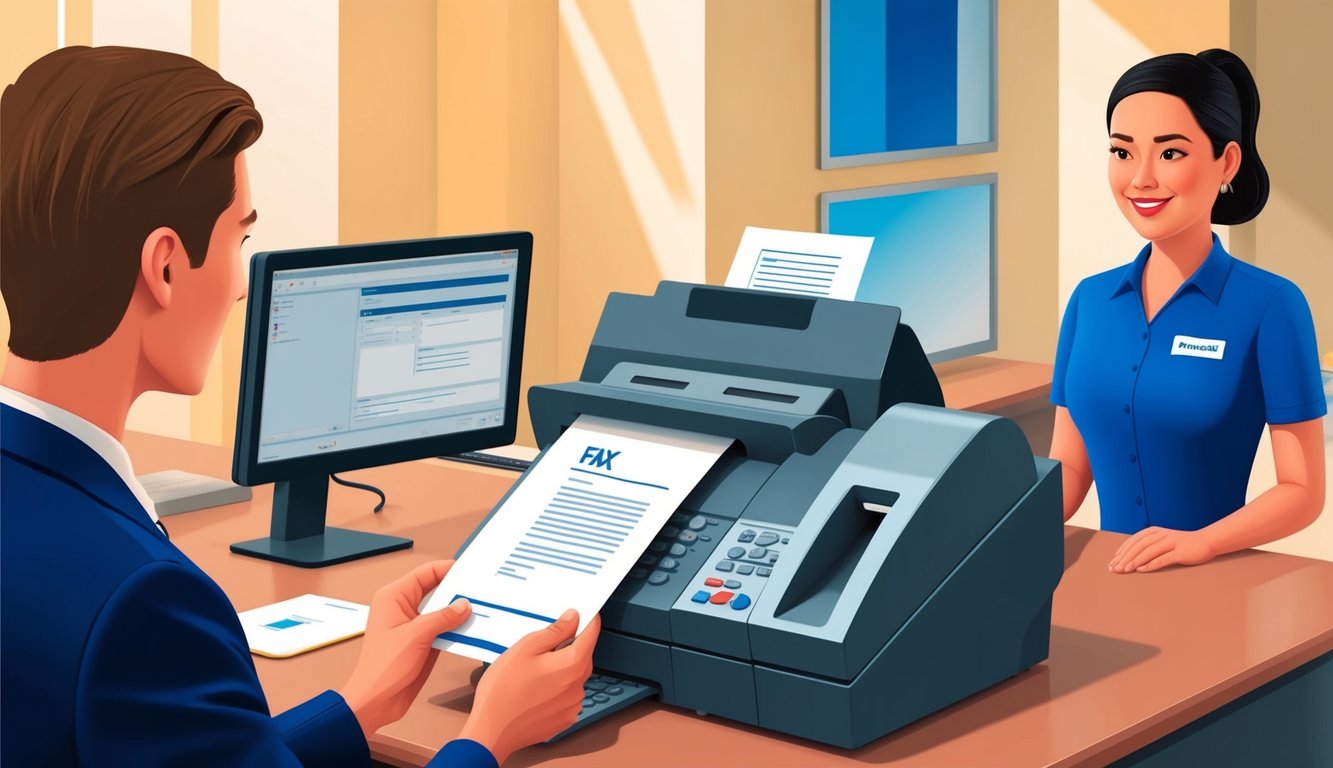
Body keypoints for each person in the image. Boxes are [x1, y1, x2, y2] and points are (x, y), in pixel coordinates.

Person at [0, 46, 597, 767]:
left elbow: (177, 746)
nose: (241, 284)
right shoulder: (143, 602)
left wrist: (362, 702)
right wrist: (488, 737)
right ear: (163, 266)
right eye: (239, 240)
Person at [1049, 49, 1326, 574]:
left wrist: (1204, 543)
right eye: (1122, 152)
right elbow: (1068, 470)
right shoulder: (1089, 301)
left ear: (1227, 162)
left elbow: (1302, 490)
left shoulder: (1271, 306)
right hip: (1103, 578)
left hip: (1210, 582)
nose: (1141, 179)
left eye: (1170, 153)